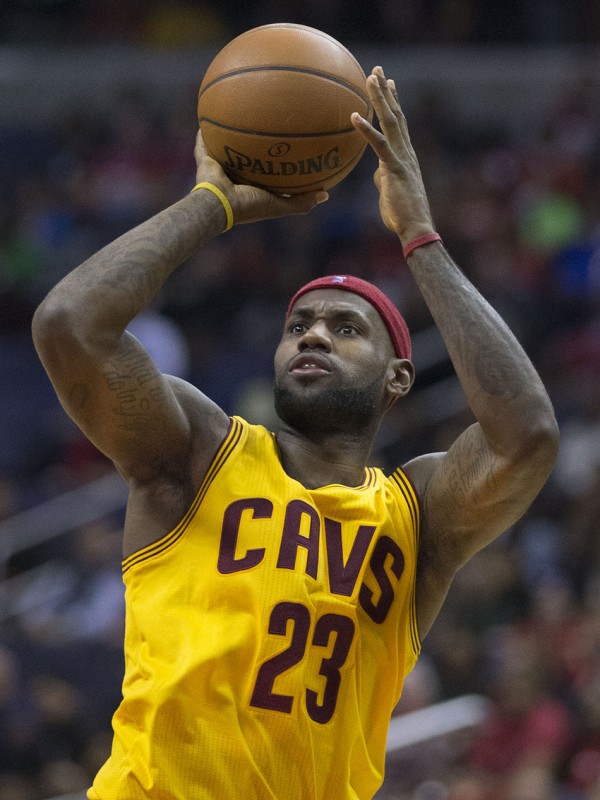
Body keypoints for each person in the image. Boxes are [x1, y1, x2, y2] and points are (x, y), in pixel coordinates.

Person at [32, 66, 559, 800]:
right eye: (298, 326)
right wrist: (211, 204)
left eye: (346, 329)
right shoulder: (197, 452)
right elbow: (70, 326)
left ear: (399, 378)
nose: (313, 335)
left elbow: (526, 434)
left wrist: (419, 237)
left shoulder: (417, 517)